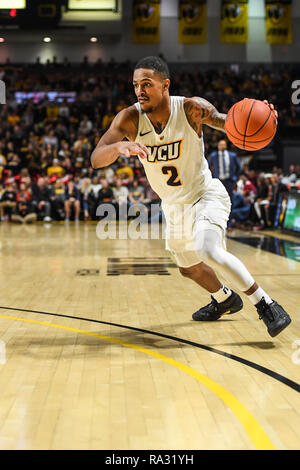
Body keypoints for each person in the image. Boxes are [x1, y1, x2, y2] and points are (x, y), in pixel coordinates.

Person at [90, 55, 291, 338]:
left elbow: (231, 125)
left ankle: (266, 305)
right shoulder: (130, 118)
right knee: (188, 268)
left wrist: (261, 115)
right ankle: (224, 299)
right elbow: (96, 158)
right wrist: (118, 149)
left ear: (165, 85)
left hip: (204, 194)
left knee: (208, 249)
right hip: (173, 204)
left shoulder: (191, 109)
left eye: (146, 84)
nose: (139, 91)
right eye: (136, 85)